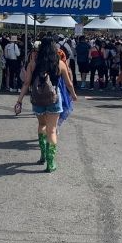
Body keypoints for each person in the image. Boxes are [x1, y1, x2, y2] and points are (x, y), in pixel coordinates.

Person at [15, 37, 77, 173]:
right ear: (54, 49)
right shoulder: (59, 63)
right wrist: (73, 94)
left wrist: (19, 101)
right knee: (52, 130)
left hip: (37, 100)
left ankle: (43, 155)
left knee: (41, 125)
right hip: (54, 99)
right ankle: (51, 163)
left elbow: (26, 83)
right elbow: (68, 83)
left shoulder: (33, 63)